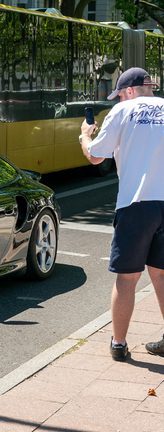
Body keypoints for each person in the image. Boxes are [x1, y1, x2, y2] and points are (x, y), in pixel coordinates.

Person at [79, 67, 164, 361]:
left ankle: (118, 344)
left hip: (136, 203)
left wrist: (84, 136)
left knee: (127, 278)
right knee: (162, 274)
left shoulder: (123, 110)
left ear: (128, 91)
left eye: (118, 94)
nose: (117, 99)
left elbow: (95, 156)